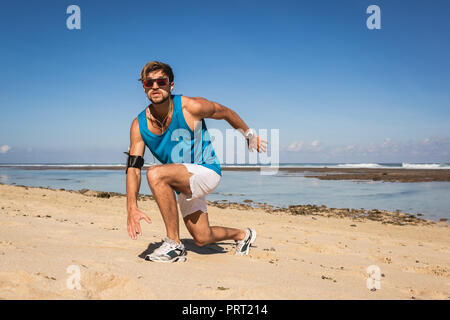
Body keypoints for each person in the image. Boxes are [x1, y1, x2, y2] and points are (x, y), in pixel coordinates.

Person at [126, 61, 267, 262]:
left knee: (156, 173)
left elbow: (225, 112)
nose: (155, 86)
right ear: (144, 87)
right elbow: (133, 168)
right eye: (149, 83)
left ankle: (174, 245)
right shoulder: (138, 125)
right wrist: (131, 206)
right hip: (182, 181)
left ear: (170, 85)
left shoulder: (191, 107)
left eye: (161, 81)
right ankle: (243, 235)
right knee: (202, 237)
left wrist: (249, 135)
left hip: (207, 171)